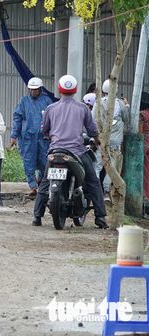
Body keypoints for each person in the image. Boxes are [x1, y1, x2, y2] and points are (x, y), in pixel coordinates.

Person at [31, 75, 108, 228]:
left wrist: (51, 137)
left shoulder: (51, 108)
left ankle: (37, 217)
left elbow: (44, 130)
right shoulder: (83, 108)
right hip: (77, 152)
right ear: (75, 89)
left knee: (45, 183)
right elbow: (92, 130)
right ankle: (100, 218)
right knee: (93, 182)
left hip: (55, 151)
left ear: (59, 89)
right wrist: (97, 141)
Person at [10, 77, 54, 199]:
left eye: (36, 90)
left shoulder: (47, 101)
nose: (33, 92)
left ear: (40, 89)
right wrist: (14, 136)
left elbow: (53, 119)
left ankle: (43, 184)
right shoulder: (24, 101)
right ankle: (33, 186)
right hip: (27, 138)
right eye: (31, 90)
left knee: (44, 162)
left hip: (43, 138)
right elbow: (17, 118)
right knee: (28, 162)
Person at [92, 79, 128, 198]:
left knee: (97, 166)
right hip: (114, 143)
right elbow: (126, 118)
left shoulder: (98, 103)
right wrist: (127, 105)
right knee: (111, 168)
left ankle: (96, 191)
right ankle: (106, 192)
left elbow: (93, 119)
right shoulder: (120, 104)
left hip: (101, 140)